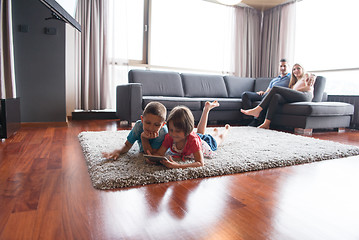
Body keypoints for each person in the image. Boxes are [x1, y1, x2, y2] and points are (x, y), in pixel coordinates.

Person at [148, 101, 230, 169]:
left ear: (188, 130)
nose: (173, 134)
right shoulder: (170, 137)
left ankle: (226, 129)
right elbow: (159, 153)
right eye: (171, 130)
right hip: (195, 138)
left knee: (218, 139)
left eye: (177, 131)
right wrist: (152, 158)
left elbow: (200, 163)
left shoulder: (193, 140)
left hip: (204, 144)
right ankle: (207, 111)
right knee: (200, 134)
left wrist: (178, 166)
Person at [241, 63, 316, 129]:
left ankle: (257, 110)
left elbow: (309, 87)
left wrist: (313, 76)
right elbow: (293, 93)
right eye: (294, 69)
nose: (296, 70)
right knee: (276, 96)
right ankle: (267, 123)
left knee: (275, 88)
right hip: (298, 97)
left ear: (303, 69)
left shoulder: (306, 75)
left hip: (306, 95)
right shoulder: (293, 83)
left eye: (298, 68)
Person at [102, 101, 168, 160]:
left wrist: (144, 138)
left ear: (163, 124)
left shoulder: (163, 132)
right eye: (148, 123)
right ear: (142, 119)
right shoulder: (138, 126)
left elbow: (151, 154)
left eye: (156, 125)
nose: (151, 128)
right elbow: (127, 145)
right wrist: (117, 151)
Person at [241, 59, 291, 126]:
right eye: (281, 66)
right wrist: (262, 92)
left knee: (266, 96)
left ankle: (257, 120)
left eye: (284, 66)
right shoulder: (275, 79)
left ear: (288, 67)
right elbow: (268, 91)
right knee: (245, 94)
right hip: (267, 94)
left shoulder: (290, 78)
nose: (282, 68)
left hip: (277, 96)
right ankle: (248, 119)